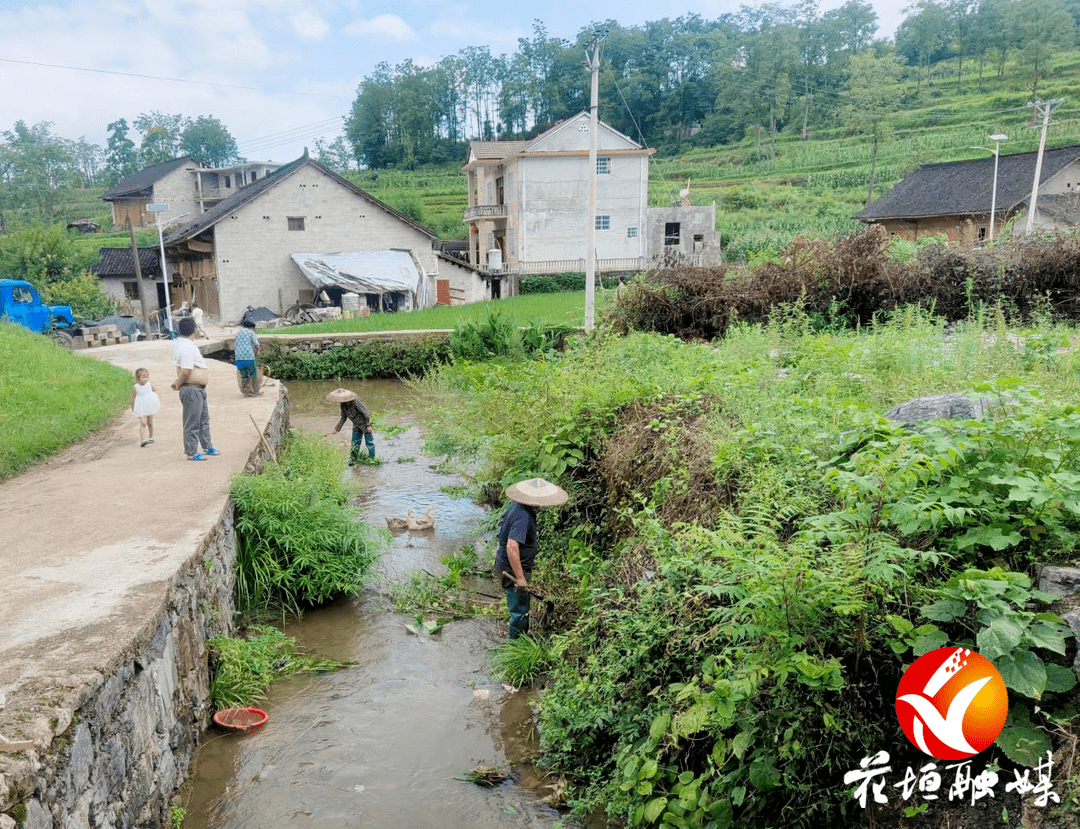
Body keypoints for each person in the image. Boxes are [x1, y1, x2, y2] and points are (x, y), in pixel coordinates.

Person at [494, 477, 568, 640]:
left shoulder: (516, 507)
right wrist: (520, 577)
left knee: (520, 604)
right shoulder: (523, 516)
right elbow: (512, 546)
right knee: (519, 611)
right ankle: (516, 648)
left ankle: (519, 640)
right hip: (511, 569)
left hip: (507, 564)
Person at [171, 316, 219, 461]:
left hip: (198, 389)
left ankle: (207, 445)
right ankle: (191, 452)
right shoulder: (185, 347)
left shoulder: (187, 344)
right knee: (192, 422)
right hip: (192, 389)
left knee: (203, 420)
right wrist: (178, 383)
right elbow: (186, 370)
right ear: (194, 330)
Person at [327, 388, 375, 463]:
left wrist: (368, 425)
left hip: (365, 424)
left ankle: (372, 459)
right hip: (356, 425)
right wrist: (337, 429)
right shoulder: (343, 405)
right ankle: (353, 460)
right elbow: (343, 417)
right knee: (355, 444)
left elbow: (367, 413)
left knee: (369, 443)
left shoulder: (356, 401)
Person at [129, 367, 161, 447]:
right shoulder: (136, 387)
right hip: (140, 406)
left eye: (147, 376)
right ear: (138, 378)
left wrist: (153, 400)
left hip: (149, 405)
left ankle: (151, 436)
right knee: (143, 422)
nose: (145, 379)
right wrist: (133, 407)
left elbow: (153, 391)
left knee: (150, 422)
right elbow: (133, 398)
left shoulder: (149, 384)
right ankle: (143, 440)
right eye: (143, 377)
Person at [234, 318, 261, 397]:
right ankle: (255, 393)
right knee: (253, 374)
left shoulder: (238, 333)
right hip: (249, 356)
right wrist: (257, 350)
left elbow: (235, 344)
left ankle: (246, 393)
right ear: (251, 327)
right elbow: (256, 344)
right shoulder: (250, 332)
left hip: (238, 357)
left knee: (244, 375)